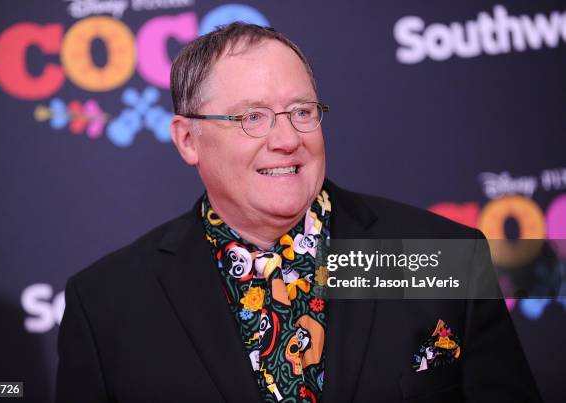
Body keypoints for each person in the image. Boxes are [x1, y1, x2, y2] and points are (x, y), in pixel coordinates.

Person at [56, 23, 541, 402]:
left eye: (302, 112)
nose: (287, 140)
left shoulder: (441, 257)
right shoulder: (107, 305)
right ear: (187, 139)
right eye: (252, 118)